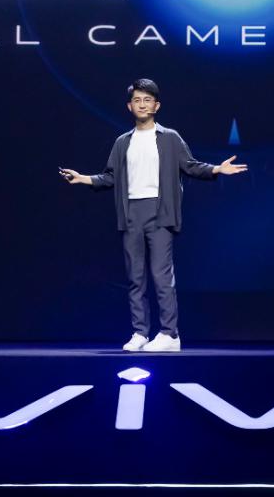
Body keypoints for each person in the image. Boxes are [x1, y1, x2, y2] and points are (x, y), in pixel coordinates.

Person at [59, 79, 246, 352]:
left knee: (161, 275)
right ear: (129, 106)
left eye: (147, 100)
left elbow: (190, 166)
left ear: (156, 106)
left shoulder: (170, 138)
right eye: (137, 100)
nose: (142, 104)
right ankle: (140, 333)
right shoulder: (122, 142)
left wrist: (217, 169)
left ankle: (169, 334)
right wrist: (84, 178)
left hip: (160, 211)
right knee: (135, 277)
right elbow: (110, 177)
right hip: (130, 213)